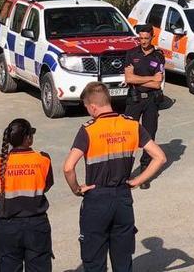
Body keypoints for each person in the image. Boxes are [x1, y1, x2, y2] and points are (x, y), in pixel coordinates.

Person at [63, 82, 166, 272]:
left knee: (94, 260)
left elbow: (68, 168)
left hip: (96, 199)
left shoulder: (88, 130)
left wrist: (77, 189)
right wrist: (137, 181)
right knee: (123, 260)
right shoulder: (131, 125)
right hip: (123, 198)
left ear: (93, 106)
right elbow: (160, 157)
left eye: (87, 108)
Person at [0, 118, 54, 272]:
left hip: (8, 227)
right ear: (28, 139)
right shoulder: (43, 159)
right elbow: (47, 185)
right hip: (37, 225)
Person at [123, 24, 165, 189]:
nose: (143, 41)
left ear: (152, 37)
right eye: (141, 38)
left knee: (149, 136)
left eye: (146, 38)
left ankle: (145, 173)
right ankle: (124, 173)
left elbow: (157, 84)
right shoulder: (132, 53)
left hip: (151, 101)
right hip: (134, 100)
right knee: (128, 136)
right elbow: (129, 79)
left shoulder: (158, 56)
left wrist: (138, 78)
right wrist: (149, 78)